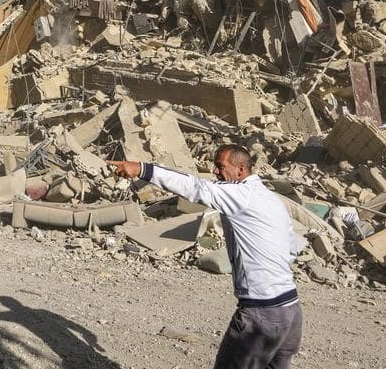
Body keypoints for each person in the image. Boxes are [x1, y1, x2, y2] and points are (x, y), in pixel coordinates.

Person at [108, 146, 302, 369]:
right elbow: (291, 250)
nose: (215, 171)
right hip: (291, 309)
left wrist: (142, 169)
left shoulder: (239, 195)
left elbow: (194, 187)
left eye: (220, 166)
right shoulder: (271, 199)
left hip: (262, 313)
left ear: (240, 169)